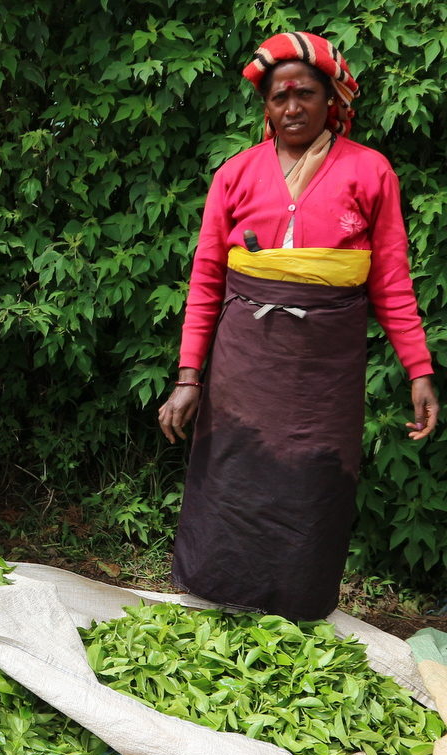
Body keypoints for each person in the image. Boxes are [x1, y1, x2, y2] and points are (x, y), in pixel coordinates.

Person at [157, 32, 439, 621]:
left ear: (331, 99)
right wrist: (189, 376)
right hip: (245, 364)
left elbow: (390, 278)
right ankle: (215, 597)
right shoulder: (235, 174)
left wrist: (418, 368)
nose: (291, 107)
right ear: (265, 105)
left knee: (312, 478)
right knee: (234, 471)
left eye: (305, 94)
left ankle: (298, 609)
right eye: (279, 96)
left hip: (325, 370)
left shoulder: (370, 171)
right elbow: (207, 279)